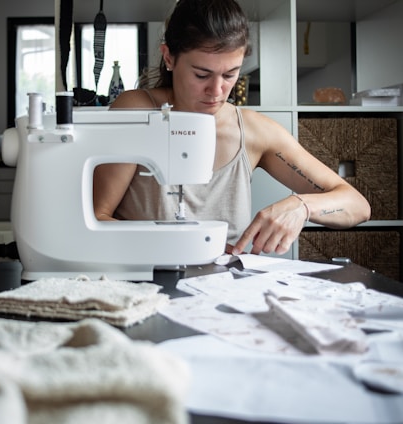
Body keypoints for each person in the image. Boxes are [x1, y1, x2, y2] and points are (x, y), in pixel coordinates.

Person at [93, 0, 371, 256]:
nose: (216, 91)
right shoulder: (137, 110)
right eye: (201, 74)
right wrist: (175, 244)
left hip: (223, 285)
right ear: (169, 58)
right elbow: (97, 216)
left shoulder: (254, 132)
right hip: (143, 275)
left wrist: (302, 206)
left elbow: (358, 205)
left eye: (230, 74)